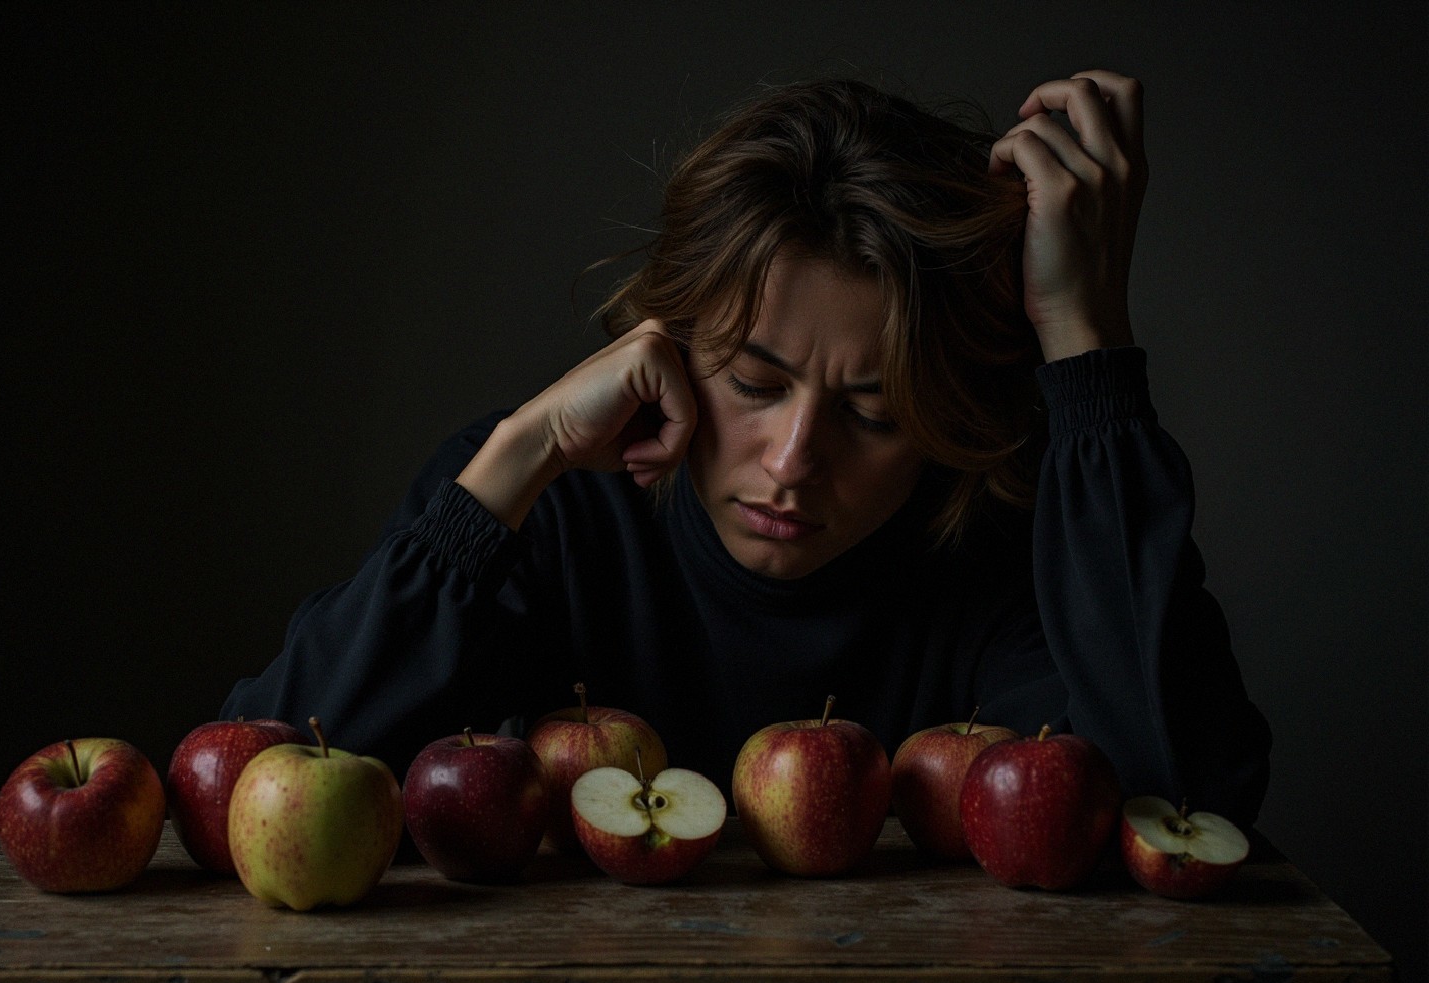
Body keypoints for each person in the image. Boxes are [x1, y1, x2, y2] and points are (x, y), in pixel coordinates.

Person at [222, 70, 1271, 829]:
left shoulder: (1003, 555)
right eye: (754, 386)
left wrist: (1087, 340)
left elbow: (1185, 809)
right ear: (670, 345)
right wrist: (517, 454)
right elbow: (259, 787)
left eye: (875, 415)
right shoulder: (546, 507)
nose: (792, 460)